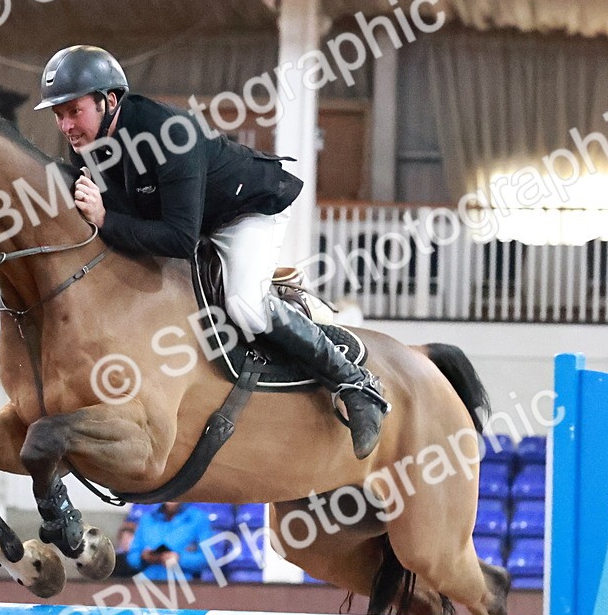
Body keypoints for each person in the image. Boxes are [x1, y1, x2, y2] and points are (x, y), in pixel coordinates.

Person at [33, 45, 390, 459]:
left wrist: (106, 219)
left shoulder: (169, 133)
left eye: (73, 111)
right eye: (58, 115)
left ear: (109, 101)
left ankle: (356, 385)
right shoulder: (87, 146)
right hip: (192, 219)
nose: (65, 125)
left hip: (246, 213)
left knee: (244, 306)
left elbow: (179, 241)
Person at [126, 502, 214, 581]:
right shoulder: (147, 519)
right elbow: (132, 557)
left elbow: (207, 558)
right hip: (146, 584)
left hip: (183, 586)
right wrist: (144, 557)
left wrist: (179, 559)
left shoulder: (199, 519)